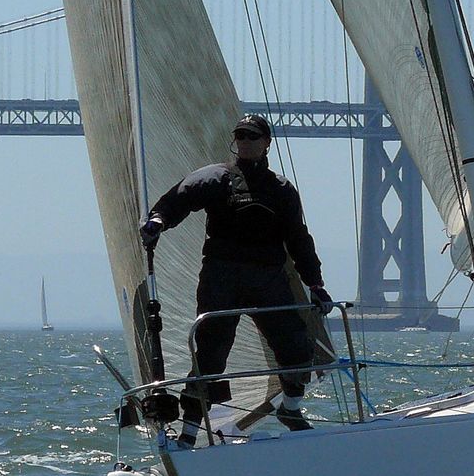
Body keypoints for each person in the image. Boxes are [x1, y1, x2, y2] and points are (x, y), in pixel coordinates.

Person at [139, 114, 331, 446]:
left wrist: (315, 285)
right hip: (222, 277)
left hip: (269, 279)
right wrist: (159, 219)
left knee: (296, 347)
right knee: (210, 354)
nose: (244, 141)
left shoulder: (282, 190)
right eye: (240, 135)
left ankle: (290, 410)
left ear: (266, 143)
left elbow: (299, 240)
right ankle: (189, 433)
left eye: (252, 136)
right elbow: (181, 197)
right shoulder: (217, 178)